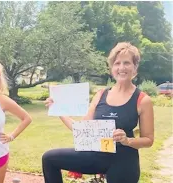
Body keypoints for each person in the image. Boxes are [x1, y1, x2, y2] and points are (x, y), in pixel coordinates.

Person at [42, 42, 154, 183]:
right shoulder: (101, 94)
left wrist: (127, 140)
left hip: (123, 160)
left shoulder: (143, 100)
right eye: (117, 63)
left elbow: (148, 140)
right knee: (49, 159)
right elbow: (80, 129)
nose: (121, 68)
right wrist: (57, 109)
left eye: (127, 63)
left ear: (135, 68)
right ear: (112, 68)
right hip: (96, 156)